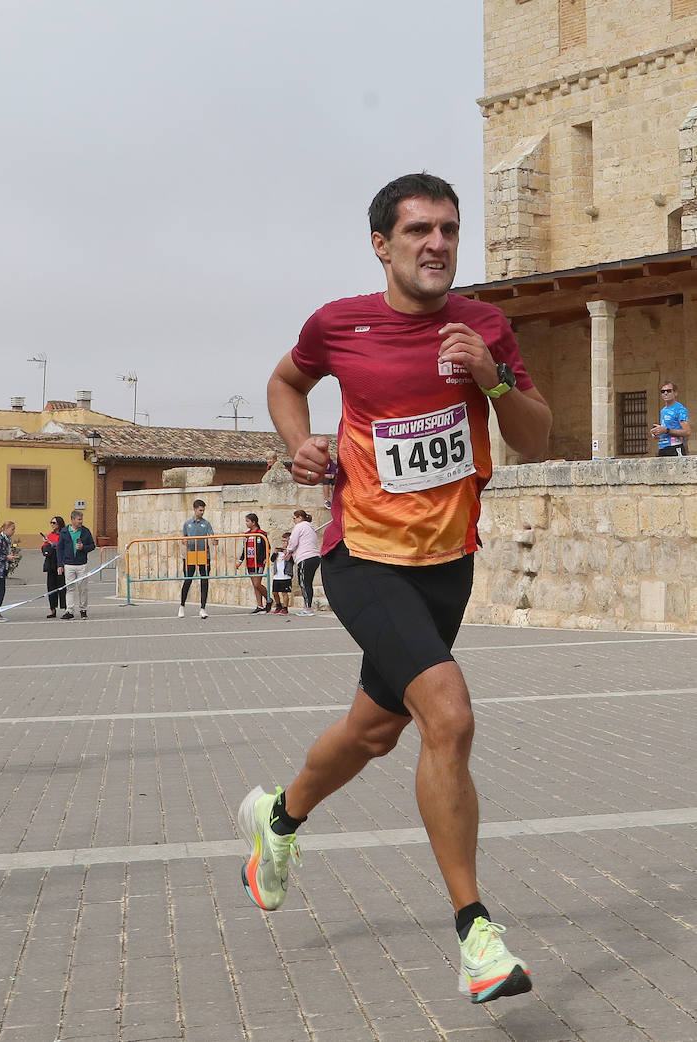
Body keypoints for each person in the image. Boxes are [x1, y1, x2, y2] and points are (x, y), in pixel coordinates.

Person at [249, 173, 552, 1005]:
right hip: (363, 555)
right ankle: (476, 935)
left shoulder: (484, 326)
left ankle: (278, 820)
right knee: (448, 715)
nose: (438, 244)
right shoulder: (339, 324)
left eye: (450, 230)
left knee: (375, 730)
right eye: (419, 230)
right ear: (382, 244)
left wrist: (492, 378)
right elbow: (286, 381)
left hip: (447, 562)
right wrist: (300, 441)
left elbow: (533, 435)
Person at [56, 508, 96, 620]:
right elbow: (60, 549)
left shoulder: (85, 531)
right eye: (79, 519)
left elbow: (92, 546)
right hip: (68, 564)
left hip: (81, 564)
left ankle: (83, 609)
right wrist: (60, 564)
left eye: (81, 519)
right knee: (69, 588)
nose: (81, 521)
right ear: (72, 519)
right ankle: (69, 610)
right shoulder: (64, 532)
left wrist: (84, 548)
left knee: (83, 588)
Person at [178, 499, 213, 619]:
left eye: (203, 510)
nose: (202, 512)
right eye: (200, 510)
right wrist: (184, 542)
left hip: (203, 554)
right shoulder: (187, 524)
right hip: (190, 554)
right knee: (188, 580)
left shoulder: (206, 523)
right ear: (195, 509)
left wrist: (214, 540)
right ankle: (182, 606)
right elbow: (184, 537)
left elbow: (212, 535)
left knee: (204, 580)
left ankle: (203, 608)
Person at [285, 509, 320, 615]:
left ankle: (308, 608)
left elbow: (293, 542)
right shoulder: (310, 527)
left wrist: (288, 552)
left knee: (304, 583)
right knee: (307, 583)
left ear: (299, 518)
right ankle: (307, 606)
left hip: (305, 557)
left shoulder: (299, 527)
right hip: (315, 557)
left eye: (294, 518)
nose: (294, 520)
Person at [243, 513, 271, 614]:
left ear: (253, 522)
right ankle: (259, 605)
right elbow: (244, 549)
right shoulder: (246, 534)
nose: (246, 523)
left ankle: (268, 599)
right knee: (254, 585)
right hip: (249, 562)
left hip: (258, 562)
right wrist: (240, 560)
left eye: (248, 521)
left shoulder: (261, 534)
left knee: (257, 583)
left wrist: (266, 558)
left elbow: (267, 547)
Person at [652, 382, 689, 456]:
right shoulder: (663, 410)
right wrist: (657, 432)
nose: (665, 393)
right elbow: (665, 429)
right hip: (662, 448)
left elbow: (687, 432)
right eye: (663, 391)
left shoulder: (680, 409)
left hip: (675, 448)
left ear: (675, 393)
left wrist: (666, 430)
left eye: (668, 391)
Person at [42, 516, 66, 618]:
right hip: (51, 564)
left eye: (54, 523)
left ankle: (66, 609)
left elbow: (61, 547)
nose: (52, 525)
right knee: (51, 587)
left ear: (59, 524)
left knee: (62, 587)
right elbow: (44, 548)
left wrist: (51, 544)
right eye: (51, 522)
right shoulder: (49, 535)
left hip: (61, 563)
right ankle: (52, 609)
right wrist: (48, 546)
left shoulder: (63, 535)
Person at [270, 532, 292, 615]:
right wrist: (275, 552)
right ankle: (278, 605)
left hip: (285, 575)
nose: (283, 543)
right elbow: (272, 559)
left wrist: (287, 552)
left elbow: (290, 560)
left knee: (284, 592)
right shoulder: (278, 553)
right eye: (283, 541)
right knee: (274, 592)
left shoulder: (290, 552)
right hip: (277, 575)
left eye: (286, 541)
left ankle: (285, 608)